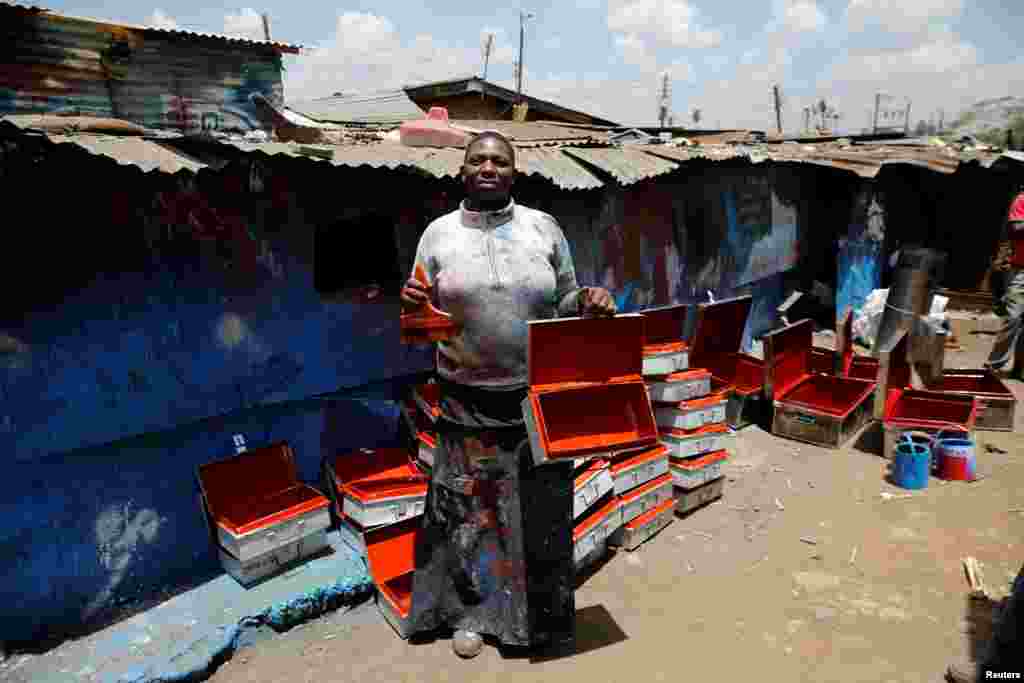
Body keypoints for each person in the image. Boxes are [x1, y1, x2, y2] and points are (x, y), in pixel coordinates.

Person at [399, 131, 617, 659]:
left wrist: (587, 299)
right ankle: (471, 616)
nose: (489, 167)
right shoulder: (437, 235)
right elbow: (417, 322)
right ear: (462, 170)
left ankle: (539, 618)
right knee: (468, 514)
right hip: (463, 399)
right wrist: (412, 309)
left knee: (538, 511)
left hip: (533, 397)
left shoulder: (544, 228)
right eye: (478, 159)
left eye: (499, 160)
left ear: (515, 172)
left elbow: (565, 299)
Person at [985, 188, 1024, 379]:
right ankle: (993, 364)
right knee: (1014, 317)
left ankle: (1020, 369)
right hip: (1020, 269)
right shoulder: (1022, 199)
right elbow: (1015, 228)